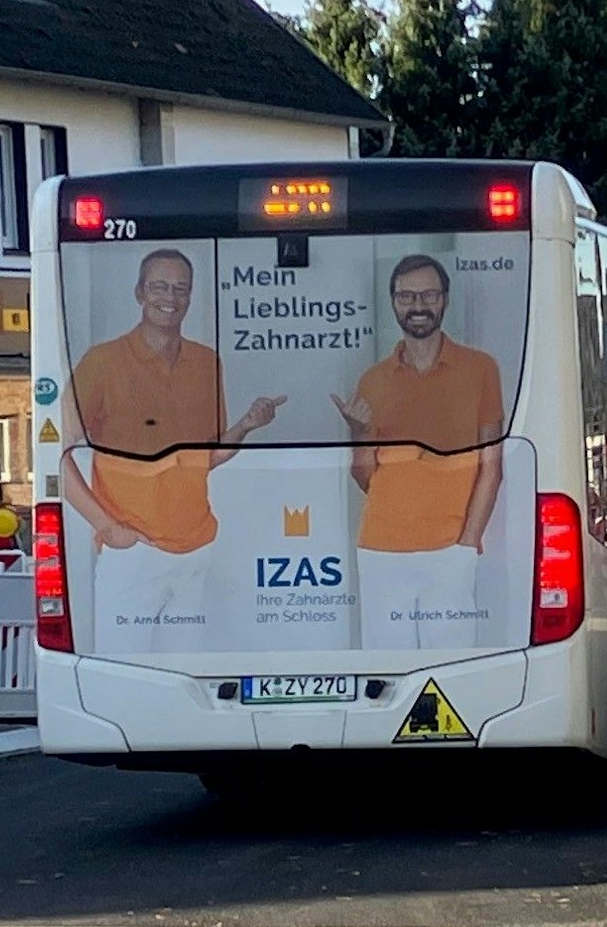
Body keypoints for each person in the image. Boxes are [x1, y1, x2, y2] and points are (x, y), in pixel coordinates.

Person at [62, 248, 283, 650]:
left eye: (181, 288)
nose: (171, 297)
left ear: (191, 296)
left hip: (196, 549)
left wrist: (246, 426)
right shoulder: (102, 362)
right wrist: (107, 527)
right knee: (123, 676)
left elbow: (205, 458)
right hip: (134, 551)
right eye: (160, 286)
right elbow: (56, 455)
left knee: (184, 675)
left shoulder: (206, 363)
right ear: (139, 293)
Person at [332, 254, 505, 649]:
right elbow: (365, 478)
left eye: (428, 295)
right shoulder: (373, 381)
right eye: (407, 297)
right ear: (393, 302)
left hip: (450, 546)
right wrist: (359, 432)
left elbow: (492, 467)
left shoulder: (480, 369)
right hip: (381, 547)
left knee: (452, 668)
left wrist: (466, 543)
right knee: (388, 667)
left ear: (445, 299)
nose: (418, 306)